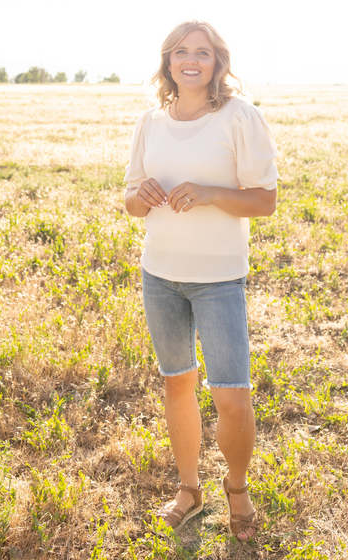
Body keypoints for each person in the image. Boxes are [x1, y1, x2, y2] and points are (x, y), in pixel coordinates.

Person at [124, 20, 278, 542]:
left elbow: (265, 201)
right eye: (181, 52)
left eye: (203, 53)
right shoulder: (149, 121)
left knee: (232, 397)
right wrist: (140, 196)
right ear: (168, 61)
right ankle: (189, 489)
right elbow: (128, 202)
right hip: (159, 276)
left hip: (218, 280)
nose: (191, 60)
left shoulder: (240, 116)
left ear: (218, 63)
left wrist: (211, 192)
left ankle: (237, 489)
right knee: (177, 385)